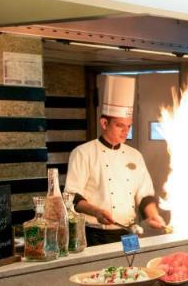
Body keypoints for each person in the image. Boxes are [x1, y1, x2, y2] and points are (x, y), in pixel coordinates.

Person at [65, 75, 166, 246]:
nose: (125, 132)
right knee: (103, 273)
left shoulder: (135, 155)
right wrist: (96, 212)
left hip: (129, 232)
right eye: (120, 125)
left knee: (132, 272)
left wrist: (152, 214)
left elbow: (145, 195)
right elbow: (72, 197)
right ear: (104, 123)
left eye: (128, 126)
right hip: (96, 235)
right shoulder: (83, 153)